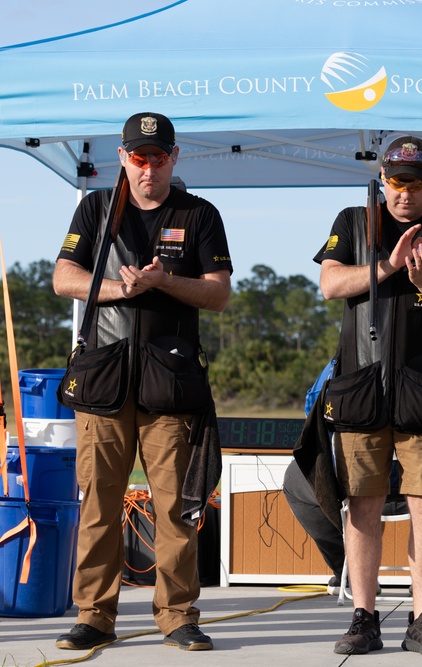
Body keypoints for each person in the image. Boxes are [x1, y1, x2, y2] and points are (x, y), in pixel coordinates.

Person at [51, 112, 232, 652]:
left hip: (170, 383)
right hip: (104, 378)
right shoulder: (95, 207)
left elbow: (219, 292)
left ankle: (178, 615)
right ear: (122, 158)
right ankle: (94, 615)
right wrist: (117, 289)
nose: (147, 167)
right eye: (137, 157)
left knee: (174, 506)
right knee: (100, 504)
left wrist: (164, 283)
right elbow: (64, 278)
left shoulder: (199, 214)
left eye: (157, 157)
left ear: (175, 157)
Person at [314, 135, 422, 657]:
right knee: (362, 505)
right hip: (361, 387)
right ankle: (363, 617)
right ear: (382, 178)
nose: (404, 191)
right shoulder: (352, 220)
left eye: (415, 181)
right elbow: (329, 284)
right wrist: (388, 266)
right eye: (395, 180)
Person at [282, 359, 422, 597]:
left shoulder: (341, 364)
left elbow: (311, 413)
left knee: (296, 477)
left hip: (354, 485)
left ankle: (347, 572)